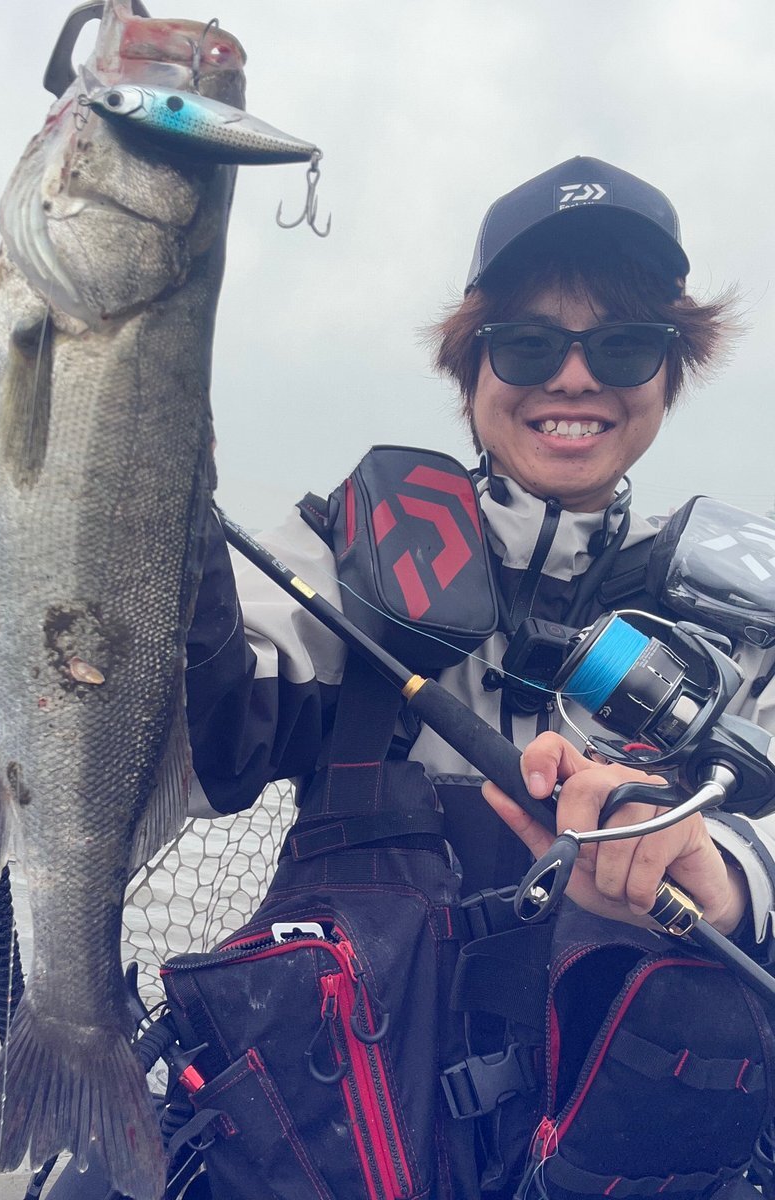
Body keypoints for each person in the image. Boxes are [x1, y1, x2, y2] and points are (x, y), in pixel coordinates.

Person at [177, 156, 775, 1200]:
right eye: (529, 343)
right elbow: (184, 751)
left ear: (670, 370)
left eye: (624, 345)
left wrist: (720, 877)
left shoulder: (741, 622)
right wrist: (147, 530)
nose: (574, 379)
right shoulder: (336, 557)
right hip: (359, 1143)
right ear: (471, 366)